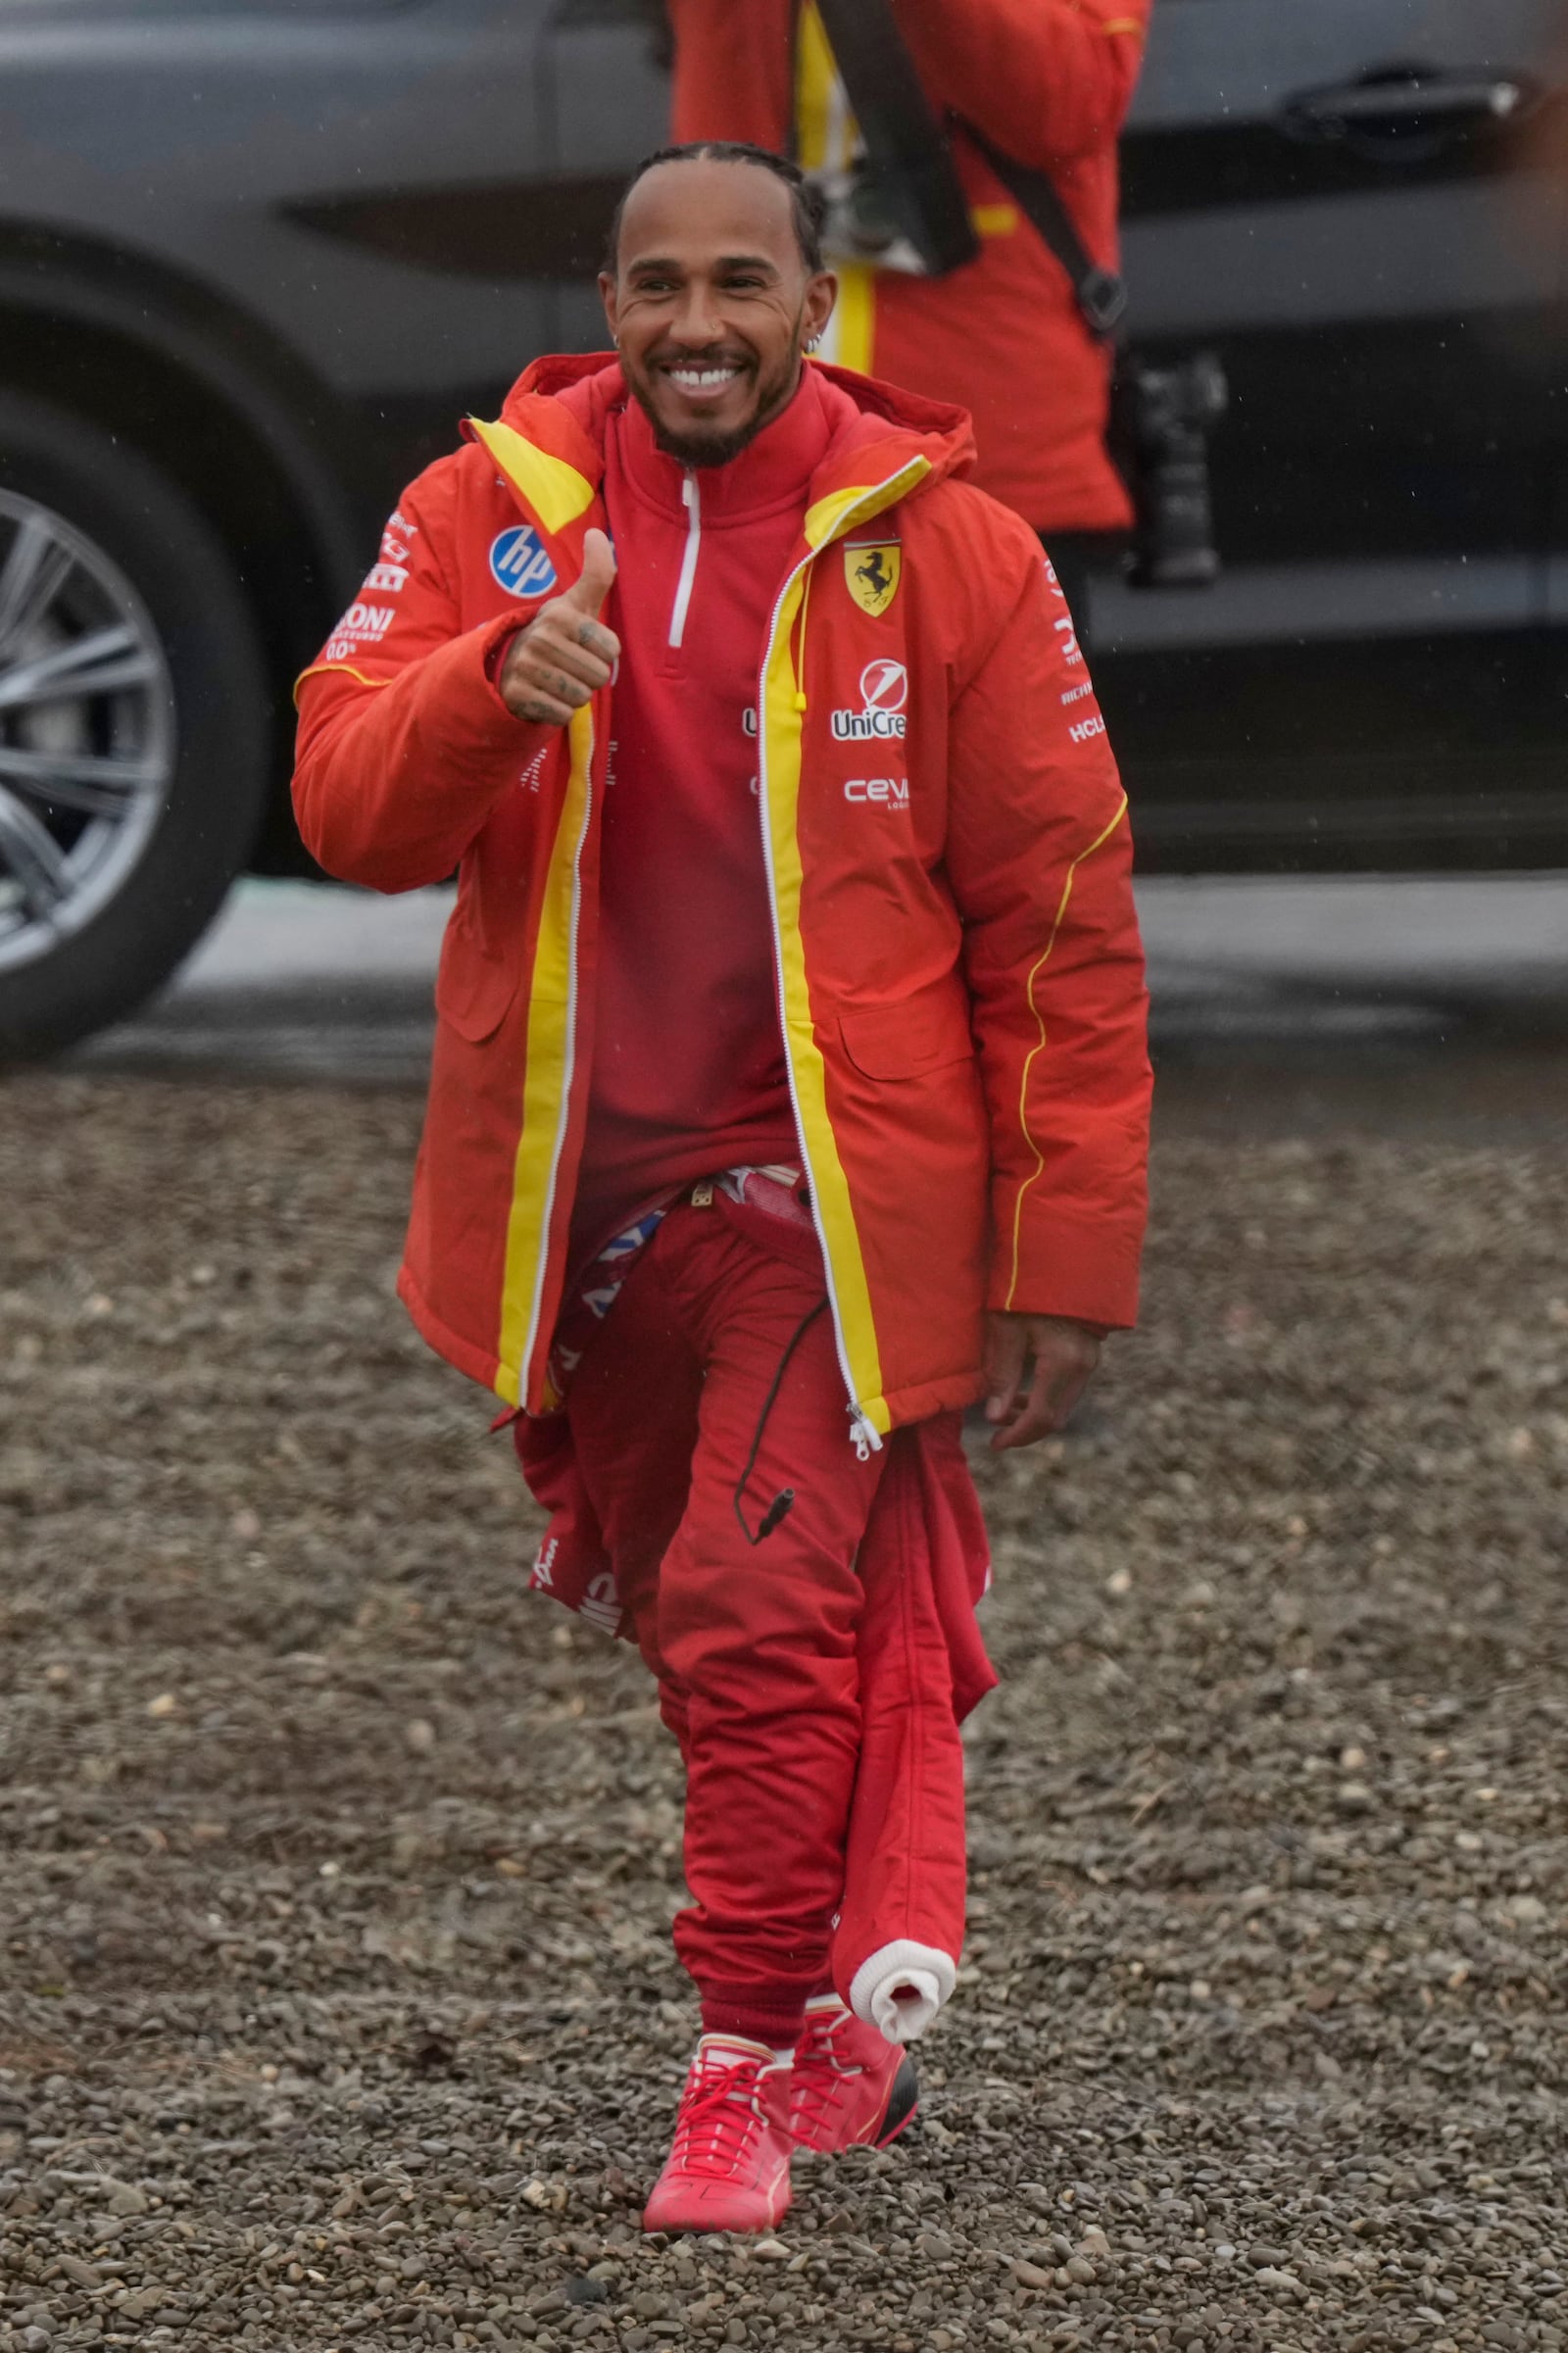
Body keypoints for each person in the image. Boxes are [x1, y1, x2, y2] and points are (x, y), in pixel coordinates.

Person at [292, 142, 1151, 2234]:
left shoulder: (943, 548)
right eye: (658, 283)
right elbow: (338, 805)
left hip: (827, 1222)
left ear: (812, 299)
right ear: (606, 297)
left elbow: (1054, 920)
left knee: (762, 1611)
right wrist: (489, 693)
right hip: (574, 1227)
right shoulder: (481, 512)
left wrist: (1060, 1258)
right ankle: (839, 2026)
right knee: (718, 1636)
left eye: (741, 282)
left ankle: (739, 2065)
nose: (698, 322)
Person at [663, 0, 1153, 637]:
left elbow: (1070, 106)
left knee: (998, 728)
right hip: (748, 426)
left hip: (982, 430)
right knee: (752, 729)